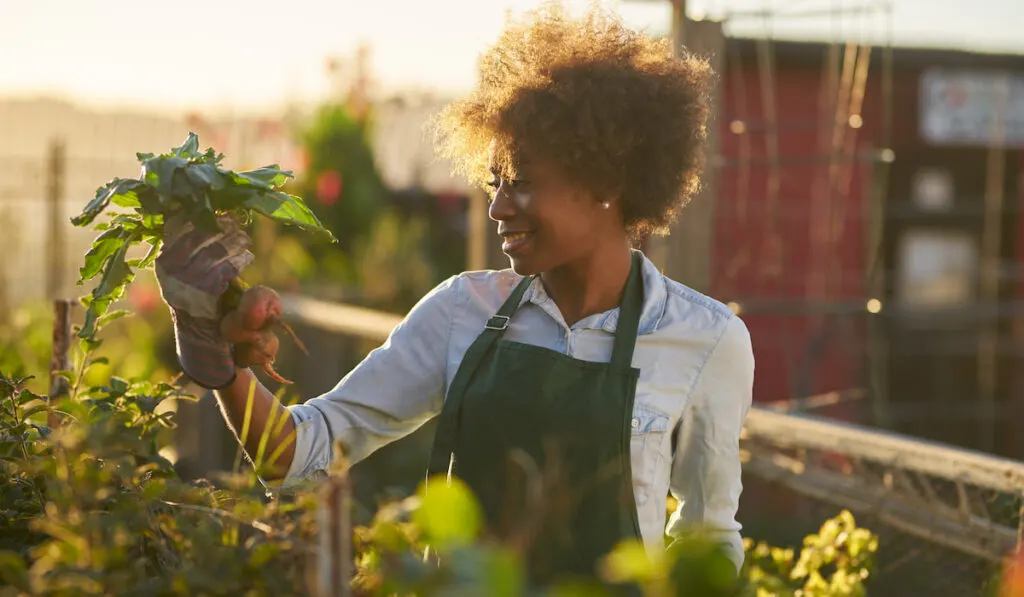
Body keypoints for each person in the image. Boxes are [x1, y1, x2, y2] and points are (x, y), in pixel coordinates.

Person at [154, 3, 754, 587]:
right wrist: (215, 347)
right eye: (494, 182)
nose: (496, 207)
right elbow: (295, 456)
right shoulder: (461, 311)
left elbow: (708, 539)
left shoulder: (705, 340)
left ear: (606, 181)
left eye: (520, 182)